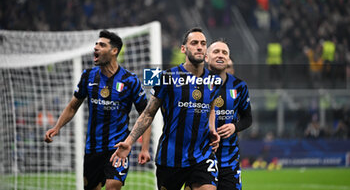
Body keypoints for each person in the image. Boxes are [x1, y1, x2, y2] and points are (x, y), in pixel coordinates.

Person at [110, 27, 222, 190]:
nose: (199, 46)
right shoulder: (168, 77)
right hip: (170, 157)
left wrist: (212, 129)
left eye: (203, 43)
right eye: (194, 43)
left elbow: (212, 108)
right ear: (184, 49)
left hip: (202, 155)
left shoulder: (214, 81)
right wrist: (129, 142)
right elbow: (149, 113)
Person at [44, 30, 151, 190]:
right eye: (96, 44)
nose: (96, 47)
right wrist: (57, 127)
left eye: (102, 45)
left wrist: (145, 148)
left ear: (114, 51)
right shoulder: (88, 76)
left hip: (118, 147)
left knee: (113, 185)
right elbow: (73, 106)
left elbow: (146, 115)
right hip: (93, 148)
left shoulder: (130, 80)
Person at [205, 39, 252, 190]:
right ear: (207, 57)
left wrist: (234, 127)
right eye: (216, 52)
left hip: (229, 159)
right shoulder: (196, 83)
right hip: (201, 157)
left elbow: (248, 118)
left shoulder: (239, 86)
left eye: (224, 52)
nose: (220, 55)